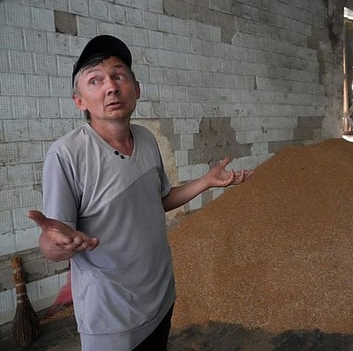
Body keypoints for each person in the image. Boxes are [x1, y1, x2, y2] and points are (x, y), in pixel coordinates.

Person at [27, 34, 253, 351]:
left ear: (137, 89)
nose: (111, 87)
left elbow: (159, 201)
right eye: (95, 81)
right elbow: (53, 245)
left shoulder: (146, 139)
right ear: (79, 101)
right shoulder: (67, 155)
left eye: (119, 75)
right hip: (112, 317)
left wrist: (206, 181)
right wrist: (56, 244)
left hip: (160, 296)